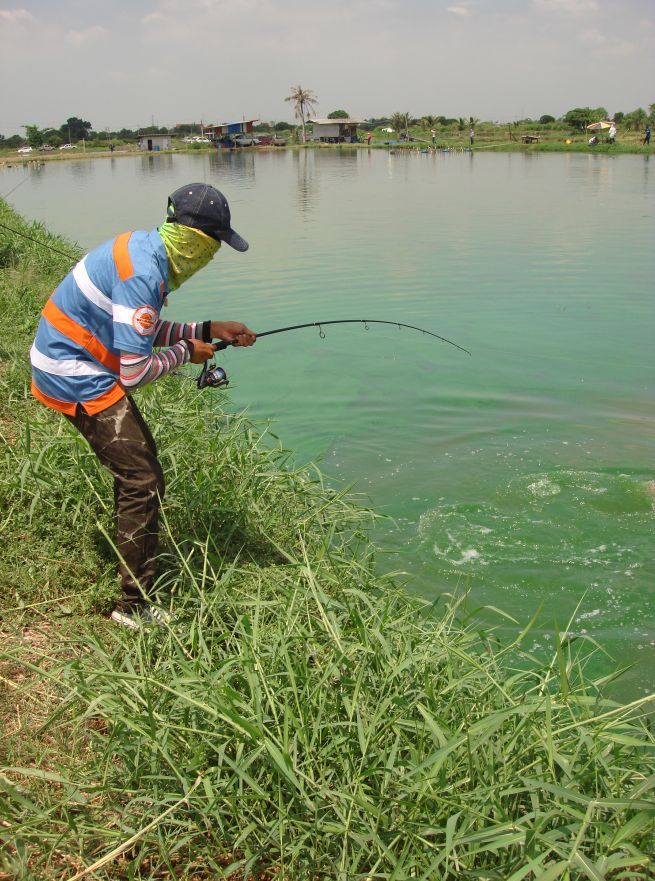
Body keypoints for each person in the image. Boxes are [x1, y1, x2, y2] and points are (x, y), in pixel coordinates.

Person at [30, 184, 256, 628]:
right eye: (214, 246)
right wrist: (188, 353)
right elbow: (135, 371)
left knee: (139, 470)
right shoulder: (144, 275)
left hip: (73, 361)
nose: (211, 257)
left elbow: (139, 329)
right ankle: (133, 608)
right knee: (143, 479)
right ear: (197, 241)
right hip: (73, 373)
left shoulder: (143, 248)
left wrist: (210, 327)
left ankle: (132, 563)